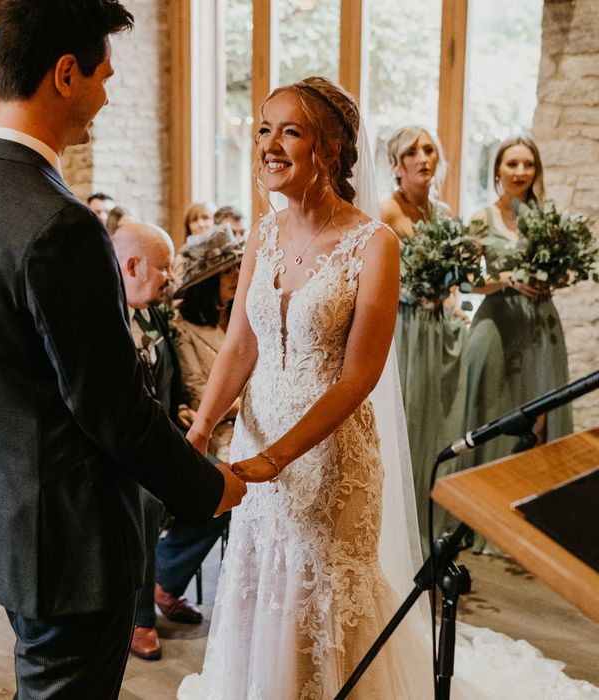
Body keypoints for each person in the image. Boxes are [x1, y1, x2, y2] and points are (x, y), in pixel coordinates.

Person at [0, 2, 245, 698]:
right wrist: (206, 488)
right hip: (68, 544)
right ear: (65, 75)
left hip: (6, 521)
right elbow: (113, 409)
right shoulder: (59, 225)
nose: (107, 94)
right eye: (104, 75)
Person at [179, 76, 433, 699]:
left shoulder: (374, 244)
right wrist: (203, 425)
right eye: (264, 129)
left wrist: (277, 455)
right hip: (257, 443)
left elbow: (359, 376)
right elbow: (241, 344)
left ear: (331, 149)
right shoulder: (262, 235)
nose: (270, 144)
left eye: (290, 131)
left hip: (330, 460)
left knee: (318, 599)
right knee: (263, 584)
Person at [113, 222, 230, 661]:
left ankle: (166, 580)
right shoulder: (104, 321)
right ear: (131, 266)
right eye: (164, 268)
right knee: (145, 503)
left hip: (162, 441)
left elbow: (171, 382)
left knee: (222, 484)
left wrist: (182, 410)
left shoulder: (155, 315)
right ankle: (137, 618)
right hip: (122, 455)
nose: (171, 279)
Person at [463, 136, 573, 492]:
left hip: (541, 324)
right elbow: (464, 281)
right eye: (512, 164)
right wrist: (506, 278)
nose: (520, 172)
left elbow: (562, 272)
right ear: (498, 170)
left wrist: (552, 276)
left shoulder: (547, 218)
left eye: (528, 165)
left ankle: (535, 503)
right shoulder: (482, 218)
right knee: (492, 411)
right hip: (496, 324)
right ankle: (484, 503)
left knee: (542, 411)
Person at [380, 125, 466, 553]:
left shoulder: (446, 214)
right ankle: (396, 532)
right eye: (412, 152)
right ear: (397, 164)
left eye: (430, 149)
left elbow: (464, 280)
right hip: (400, 327)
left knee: (436, 421)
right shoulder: (386, 213)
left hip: (435, 328)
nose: (423, 158)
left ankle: (430, 525)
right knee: (404, 422)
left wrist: (459, 311)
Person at [174, 224, 243, 460]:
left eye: (237, 267)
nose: (236, 276)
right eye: (226, 272)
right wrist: (248, 407)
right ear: (207, 282)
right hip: (219, 431)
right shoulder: (183, 327)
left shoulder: (243, 316)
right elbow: (197, 393)